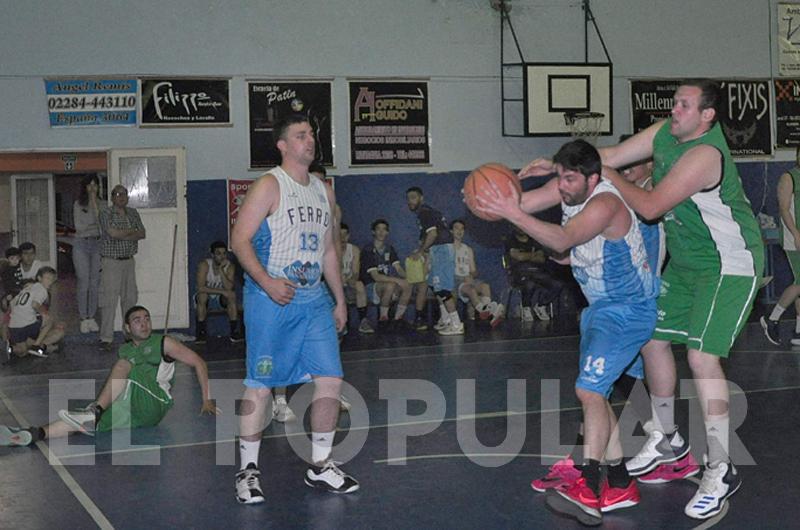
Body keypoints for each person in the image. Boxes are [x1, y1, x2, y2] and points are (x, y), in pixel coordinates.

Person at [526, 80, 763, 520]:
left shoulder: (704, 155)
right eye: (674, 102)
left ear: (707, 115)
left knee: (701, 358)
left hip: (729, 262)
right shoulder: (663, 133)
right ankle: (668, 438)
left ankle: (721, 465)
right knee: (651, 338)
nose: (674, 110)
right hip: (689, 264)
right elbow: (610, 157)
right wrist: (534, 186)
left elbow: (650, 205)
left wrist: (602, 173)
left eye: (684, 105)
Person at [477, 139, 659, 524]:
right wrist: (494, 196)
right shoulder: (575, 193)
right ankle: (620, 482)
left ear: (593, 178)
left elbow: (561, 238)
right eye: (559, 176)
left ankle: (589, 484)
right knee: (599, 395)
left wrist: (513, 211)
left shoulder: (605, 202)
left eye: (569, 178)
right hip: (600, 309)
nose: (561, 185)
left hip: (627, 310)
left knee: (588, 391)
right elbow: (562, 248)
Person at [230, 113, 358, 505]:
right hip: (271, 300)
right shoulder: (269, 185)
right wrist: (267, 282)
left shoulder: (323, 190)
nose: (310, 140)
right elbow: (239, 240)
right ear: (283, 145)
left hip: (313, 301)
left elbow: (330, 250)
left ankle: (320, 465)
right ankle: (247, 471)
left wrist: (339, 298)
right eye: (300, 135)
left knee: (331, 381)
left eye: (312, 134)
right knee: (262, 384)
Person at [0, 305, 218, 447]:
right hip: (134, 408)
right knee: (86, 419)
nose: (144, 323)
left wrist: (207, 399)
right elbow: (117, 383)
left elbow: (199, 362)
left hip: (156, 402)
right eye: (137, 320)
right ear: (126, 328)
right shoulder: (125, 349)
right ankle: (34, 434)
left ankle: (93, 411)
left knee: (123, 368)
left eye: (147, 318)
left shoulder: (164, 342)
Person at [406, 187, 462, 335]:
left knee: (442, 289)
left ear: (421, 198)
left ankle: (456, 324)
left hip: (442, 250)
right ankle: (445, 319)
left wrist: (420, 251)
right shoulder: (426, 213)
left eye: (413, 197)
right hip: (437, 250)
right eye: (408, 198)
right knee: (433, 285)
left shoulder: (425, 212)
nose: (410, 201)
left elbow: (432, 234)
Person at [98, 185, 146, 349]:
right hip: (111, 261)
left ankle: (130, 335)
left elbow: (142, 233)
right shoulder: (106, 213)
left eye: (124, 194)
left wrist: (123, 232)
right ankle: (106, 338)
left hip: (129, 261)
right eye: (117, 194)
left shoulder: (133, 212)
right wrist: (131, 231)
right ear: (112, 197)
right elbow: (112, 233)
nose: (121, 197)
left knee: (130, 299)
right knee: (109, 300)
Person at [761, 146, 800, 346]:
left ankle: (798, 331)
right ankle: (772, 319)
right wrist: (795, 233)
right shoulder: (788, 177)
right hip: (794, 238)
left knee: (799, 282)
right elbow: (784, 209)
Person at [360, 219, 413, 330]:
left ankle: (398, 319)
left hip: (389, 285)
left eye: (384, 229)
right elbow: (376, 276)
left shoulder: (389, 249)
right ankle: (383, 319)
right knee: (391, 285)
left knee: (408, 284)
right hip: (372, 287)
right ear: (373, 232)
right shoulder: (368, 250)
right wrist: (399, 281)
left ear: (387, 233)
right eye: (378, 229)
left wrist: (409, 278)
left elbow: (398, 269)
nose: (381, 232)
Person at [450, 219, 504, 327]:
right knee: (471, 290)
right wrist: (462, 277)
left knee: (485, 287)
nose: (459, 231)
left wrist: (471, 276)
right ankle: (489, 313)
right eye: (456, 228)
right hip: (454, 281)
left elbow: (474, 271)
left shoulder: (468, 249)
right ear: (451, 231)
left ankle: (487, 312)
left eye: (462, 229)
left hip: (467, 279)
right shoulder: (447, 249)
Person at [503, 226, 564, 322]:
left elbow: (541, 258)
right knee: (529, 283)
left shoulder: (534, 240)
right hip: (518, 273)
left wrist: (526, 256)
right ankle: (526, 307)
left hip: (537, 272)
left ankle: (541, 305)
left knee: (557, 284)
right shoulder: (511, 240)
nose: (522, 228)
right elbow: (519, 257)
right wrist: (532, 255)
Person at [8, 266, 64, 358]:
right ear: (39, 278)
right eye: (47, 278)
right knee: (50, 320)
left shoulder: (27, 289)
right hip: (26, 325)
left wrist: (18, 313)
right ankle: (37, 346)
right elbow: (35, 305)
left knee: (22, 352)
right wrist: (44, 314)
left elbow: (12, 303)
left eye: (52, 279)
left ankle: (11, 348)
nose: (50, 281)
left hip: (14, 326)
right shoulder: (42, 290)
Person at [195, 240, 243, 343]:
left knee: (231, 295)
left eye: (224, 253)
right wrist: (221, 292)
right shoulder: (204, 265)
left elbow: (229, 287)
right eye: (218, 253)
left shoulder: (230, 266)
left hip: (220, 299)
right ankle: (201, 333)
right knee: (202, 296)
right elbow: (200, 288)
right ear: (212, 255)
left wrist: (221, 270)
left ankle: (234, 332)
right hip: (205, 298)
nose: (222, 256)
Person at [72, 174, 102, 334]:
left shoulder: (102, 204)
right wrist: (94, 225)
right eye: (89, 185)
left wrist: (95, 206)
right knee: (83, 280)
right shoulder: (78, 204)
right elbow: (79, 227)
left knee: (94, 282)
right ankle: (83, 318)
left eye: (95, 185)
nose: (92, 188)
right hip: (81, 244)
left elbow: (103, 226)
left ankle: (92, 317)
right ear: (85, 187)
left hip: (97, 244)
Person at [340, 223, 372, 334]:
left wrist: (350, 280)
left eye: (345, 235)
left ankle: (363, 321)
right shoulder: (331, 249)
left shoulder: (354, 250)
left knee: (359, 284)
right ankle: (341, 324)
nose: (342, 238)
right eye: (339, 235)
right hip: (334, 286)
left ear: (349, 236)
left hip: (348, 284)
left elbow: (355, 272)